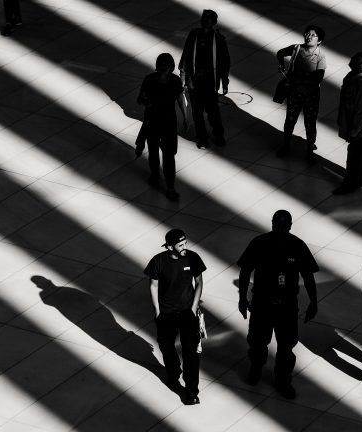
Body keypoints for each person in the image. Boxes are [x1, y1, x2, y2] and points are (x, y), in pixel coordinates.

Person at [236, 210, 318, 399]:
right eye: (276, 225)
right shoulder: (260, 243)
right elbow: (245, 271)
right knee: (257, 342)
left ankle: (283, 381)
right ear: (272, 224)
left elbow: (308, 276)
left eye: (283, 226)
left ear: (290, 226)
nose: (280, 229)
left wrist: (314, 302)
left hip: (287, 306)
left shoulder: (297, 246)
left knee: (286, 347)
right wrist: (242, 298)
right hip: (262, 304)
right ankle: (256, 367)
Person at [144, 229, 206, 405]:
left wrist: (194, 308)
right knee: (166, 346)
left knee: (192, 354)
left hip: (188, 313)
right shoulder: (158, 262)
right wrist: (157, 310)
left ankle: (192, 391)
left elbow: (199, 282)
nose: (185, 247)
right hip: (167, 313)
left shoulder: (192, 258)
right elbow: (153, 285)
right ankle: (173, 373)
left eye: (185, 243)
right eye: (180, 245)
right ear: (170, 247)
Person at [137, 53, 188, 201]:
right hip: (153, 120)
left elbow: (180, 98)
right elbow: (140, 98)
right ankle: (156, 175)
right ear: (158, 66)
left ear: (170, 67)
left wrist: (185, 117)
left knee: (168, 155)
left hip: (168, 123)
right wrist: (146, 102)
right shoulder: (150, 80)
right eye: (162, 65)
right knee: (153, 151)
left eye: (166, 65)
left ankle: (170, 185)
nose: (164, 68)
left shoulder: (174, 81)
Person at [178, 9, 230, 149]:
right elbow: (186, 54)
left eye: (208, 18)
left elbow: (225, 62)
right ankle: (202, 138)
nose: (204, 20)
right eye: (203, 18)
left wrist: (224, 81)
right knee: (197, 112)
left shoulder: (218, 39)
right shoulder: (194, 35)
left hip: (210, 81)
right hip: (194, 80)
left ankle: (218, 135)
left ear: (214, 22)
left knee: (213, 111)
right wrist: (183, 75)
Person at [276, 25, 327, 163]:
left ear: (319, 41)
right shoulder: (296, 48)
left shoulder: (320, 57)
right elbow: (280, 53)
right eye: (307, 34)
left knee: (310, 124)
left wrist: (298, 78)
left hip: (310, 95)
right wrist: (281, 65)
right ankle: (286, 146)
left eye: (313, 35)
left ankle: (309, 151)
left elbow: (319, 77)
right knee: (290, 121)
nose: (309, 36)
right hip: (295, 93)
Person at [333, 51, 362, 195]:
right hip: (360, 125)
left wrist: (353, 131)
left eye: (356, 59)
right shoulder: (351, 77)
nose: (351, 60)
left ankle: (349, 183)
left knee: (353, 155)